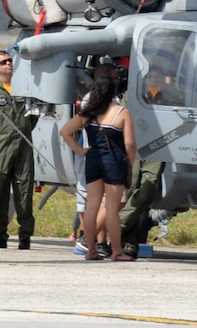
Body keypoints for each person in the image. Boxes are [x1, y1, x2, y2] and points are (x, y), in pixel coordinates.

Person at [60, 72, 132, 262]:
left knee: (91, 206)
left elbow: (65, 131)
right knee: (111, 208)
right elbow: (130, 144)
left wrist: (81, 150)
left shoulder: (89, 113)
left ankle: (91, 250)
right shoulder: (121, 112)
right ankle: (117, 251)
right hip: (114, 160)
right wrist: (130, 162)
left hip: (92, 159)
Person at [0, 48, 39, 250]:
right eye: (4, 62)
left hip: (24, 144)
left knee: (24, 191)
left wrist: (22, 131)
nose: (9, 64)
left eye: (10, 61)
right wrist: (2, 134)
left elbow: (34, 115)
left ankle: (25, 236)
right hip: (1, 144)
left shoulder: (24, 88)